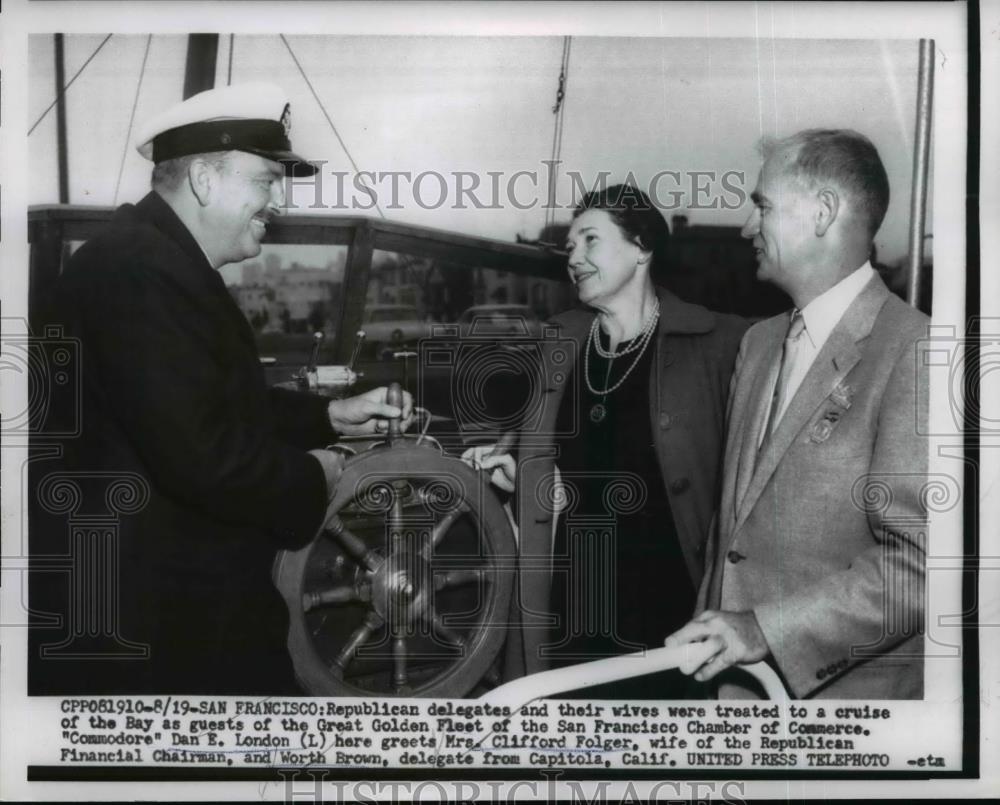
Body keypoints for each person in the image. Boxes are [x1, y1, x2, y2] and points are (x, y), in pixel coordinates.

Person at [32, 83, 412, 695]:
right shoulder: (139, 275)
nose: (279, 201)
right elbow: (205, 459)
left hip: (159, 605)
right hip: (156, 634)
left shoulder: (150, 261)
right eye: (267, 179)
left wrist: (331, 417)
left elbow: (209, 405)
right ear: (206, 180)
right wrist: (321, 474)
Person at [666, 129, 929, 699]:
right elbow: (729, 539)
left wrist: (765, 629)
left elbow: (923, 569)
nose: (746, 228)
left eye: (762, 206)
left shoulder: (916, 352)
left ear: (823, 212)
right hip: (734, 702)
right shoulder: (759, 345)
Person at [468, 185, 748, 698]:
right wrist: (520, 477)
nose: (573, 257)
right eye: (570, 246)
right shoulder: (559, 344)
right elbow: (557, 473)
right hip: (571, 601)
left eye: (589, 240)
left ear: (641, 248)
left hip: (671, 609)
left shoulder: (722, 345)